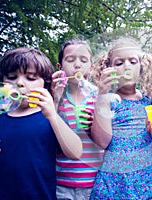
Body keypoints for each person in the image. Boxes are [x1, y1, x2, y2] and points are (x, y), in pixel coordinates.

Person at [0, 47, 82, 199]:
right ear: (2, 82)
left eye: (30, 78)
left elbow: (75, 153)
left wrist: (53, 116)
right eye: (11, 77)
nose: (20, 83)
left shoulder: (50, 119)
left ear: (45, 84)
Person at [89, 37, 152, 199]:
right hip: (114, 186)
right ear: (108, 69)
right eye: (119, 63)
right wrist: (102, 94)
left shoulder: (149, 102)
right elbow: (101, 142)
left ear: (142, 67)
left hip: (146, 186)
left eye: (133, 61)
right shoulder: (107, 101)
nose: (127, 67)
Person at [52, 39, 104, 200]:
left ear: (91, 67)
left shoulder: (99, 95)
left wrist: (98, 122)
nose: (77, 65)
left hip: (94, 182)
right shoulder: (55, 96)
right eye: (70, 59)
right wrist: (55, 99)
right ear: (60, 67)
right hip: (62, 183)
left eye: (83, 60)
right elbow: (46, 132)